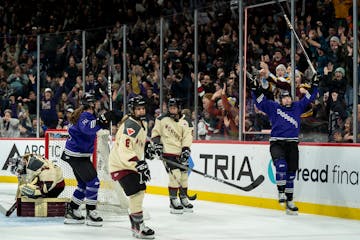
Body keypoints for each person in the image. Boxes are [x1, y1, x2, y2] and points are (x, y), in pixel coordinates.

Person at [250, 75, 319, 215]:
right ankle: (280, 192)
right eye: (285, 97)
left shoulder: (298, 106)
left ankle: (290, 200)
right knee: (281, 165)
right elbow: (259, 102)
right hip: (277, 142)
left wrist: (315, 84)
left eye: (289, 97)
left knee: (291, 174)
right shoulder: (273, 107)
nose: (287, 99)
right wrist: (255, 89)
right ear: (280, 100)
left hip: (292, 144)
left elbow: (310, 97)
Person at [61, 93, 112, 226]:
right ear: (92, 104)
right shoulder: (84, 116)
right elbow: (88, 129)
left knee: (83, 185)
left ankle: (72, 210)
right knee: (93, 182)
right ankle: (91, 212)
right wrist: (101, 120)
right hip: (77, 156)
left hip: (77, 155)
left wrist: (102, 121)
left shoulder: (84, 115)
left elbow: (92, 127)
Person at [109, 95, 155, 239]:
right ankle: (138, 227)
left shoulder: (142, 123)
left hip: (129, 164)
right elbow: (125, 150)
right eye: (138, 109)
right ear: (132, 110)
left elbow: (139, 142)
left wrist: (149, 148)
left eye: (142, 108)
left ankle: (136, 225)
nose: (141, 111)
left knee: (140, 190)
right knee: (136, 192)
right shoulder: (130, 126)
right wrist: (138, 164)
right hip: (121, 164)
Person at [151, 98, 194, 214]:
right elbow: (155, 134)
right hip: (168, 153)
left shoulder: (187, 122)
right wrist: (158, 145)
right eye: (170, 108)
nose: (172, 110)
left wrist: (186, 149)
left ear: (179, 108)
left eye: (174, 108)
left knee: (184, 176)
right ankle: (173, 200)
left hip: (180, 153)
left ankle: (183, 198)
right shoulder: (161, 119)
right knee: (175, 176)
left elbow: (187, 137)